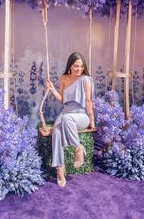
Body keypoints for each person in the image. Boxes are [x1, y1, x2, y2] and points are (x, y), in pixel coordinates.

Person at [46, 52, 95, 188]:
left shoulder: (86, 80)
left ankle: (78, 148)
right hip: (66, 113)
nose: (79, 69)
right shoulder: (64, 78)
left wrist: (92, 121)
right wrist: (52, 89)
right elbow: (62, 99)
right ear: (70, 66)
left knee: (66, 118)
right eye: (75, 66)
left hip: (81, 116)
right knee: (56, 132)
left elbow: (88, 101)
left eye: (81, 66)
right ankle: (60, 169)